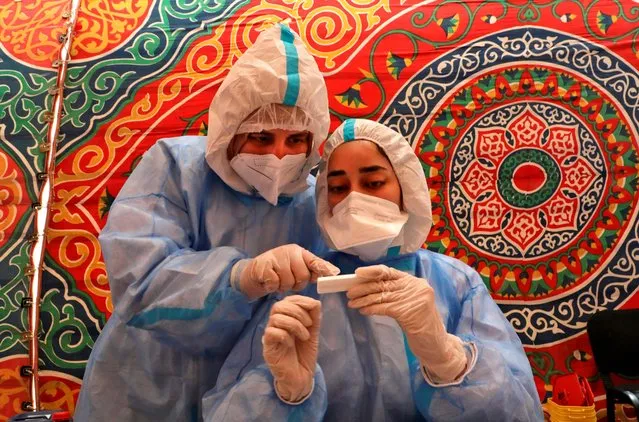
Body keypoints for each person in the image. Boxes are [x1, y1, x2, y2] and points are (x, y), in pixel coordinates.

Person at [75, 24, 339, 422]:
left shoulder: (313, 201)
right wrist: (241, 276)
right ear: (230, 130)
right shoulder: (176, 167)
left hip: (258, 396)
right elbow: (139, 281)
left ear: (313, 139)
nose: (279, 156)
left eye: (296, 140)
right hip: (147, 382)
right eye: (261, 137)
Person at [202, 119, 544, 421]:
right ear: (324, 198)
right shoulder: (301, 285)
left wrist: (449, 360)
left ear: (405, 189)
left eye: (374, 183)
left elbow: (519, 412)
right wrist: (288, 392)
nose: (353, 199)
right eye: (337, 188)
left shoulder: (455, 283)